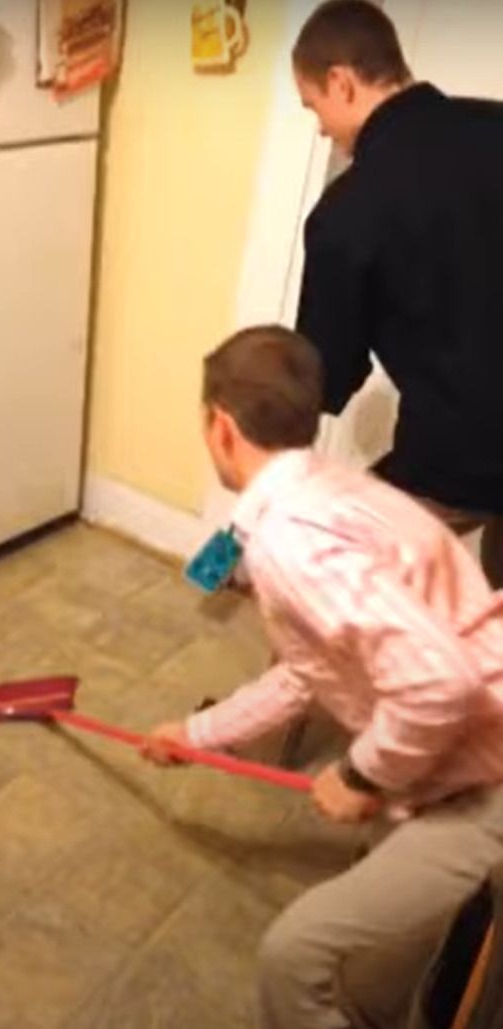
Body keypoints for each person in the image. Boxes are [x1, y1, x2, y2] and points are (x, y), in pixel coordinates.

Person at [142, 324, 503, 1029]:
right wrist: (196, 733)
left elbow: (437, 681)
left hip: (482, 776)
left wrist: (361, 774)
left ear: (220, 427)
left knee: (295, 957)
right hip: (446, 760)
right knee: (374, 948)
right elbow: (307, 674)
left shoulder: (291, 542)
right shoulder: (338, 488)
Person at [291, 0, 503, 587]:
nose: (320, 128)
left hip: (460, 456)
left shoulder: (347, 212)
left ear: (342, 82)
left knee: (333, 570)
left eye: (313, 106)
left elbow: (328, 372)